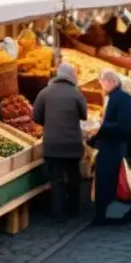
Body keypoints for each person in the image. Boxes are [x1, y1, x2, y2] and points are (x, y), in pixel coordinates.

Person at [33, 62, 88, 218]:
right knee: (73, 176)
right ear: (72, 76)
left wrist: (49, 123)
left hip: (52, 144)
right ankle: (74, 209)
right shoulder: (77, 93)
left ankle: (58, 211)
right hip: (72, 144)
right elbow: (84, 115)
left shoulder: (44, 92)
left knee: (56, 179)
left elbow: (36, 116)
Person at [90, 70, 131, 224]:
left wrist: (103, 126)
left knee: (108, 180)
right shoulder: (117, 97)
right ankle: (104, 213)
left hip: (114, 147)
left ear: (112, 82)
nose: (102, 87)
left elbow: (125, 126)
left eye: (103, 83)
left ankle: (102, 215)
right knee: (108, 180)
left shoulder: (122, 98)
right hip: (111, 145)